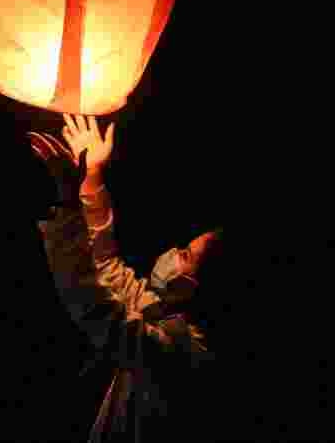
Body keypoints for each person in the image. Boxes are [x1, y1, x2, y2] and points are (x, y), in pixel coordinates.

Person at [28, 114, 225, 443]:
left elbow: (92, 305)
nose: (174, 251)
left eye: (187, 255)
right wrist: (91, 176)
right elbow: (106, 264)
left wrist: (65, 205)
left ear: (196, 287)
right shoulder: (162, 314)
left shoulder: (182, 353)